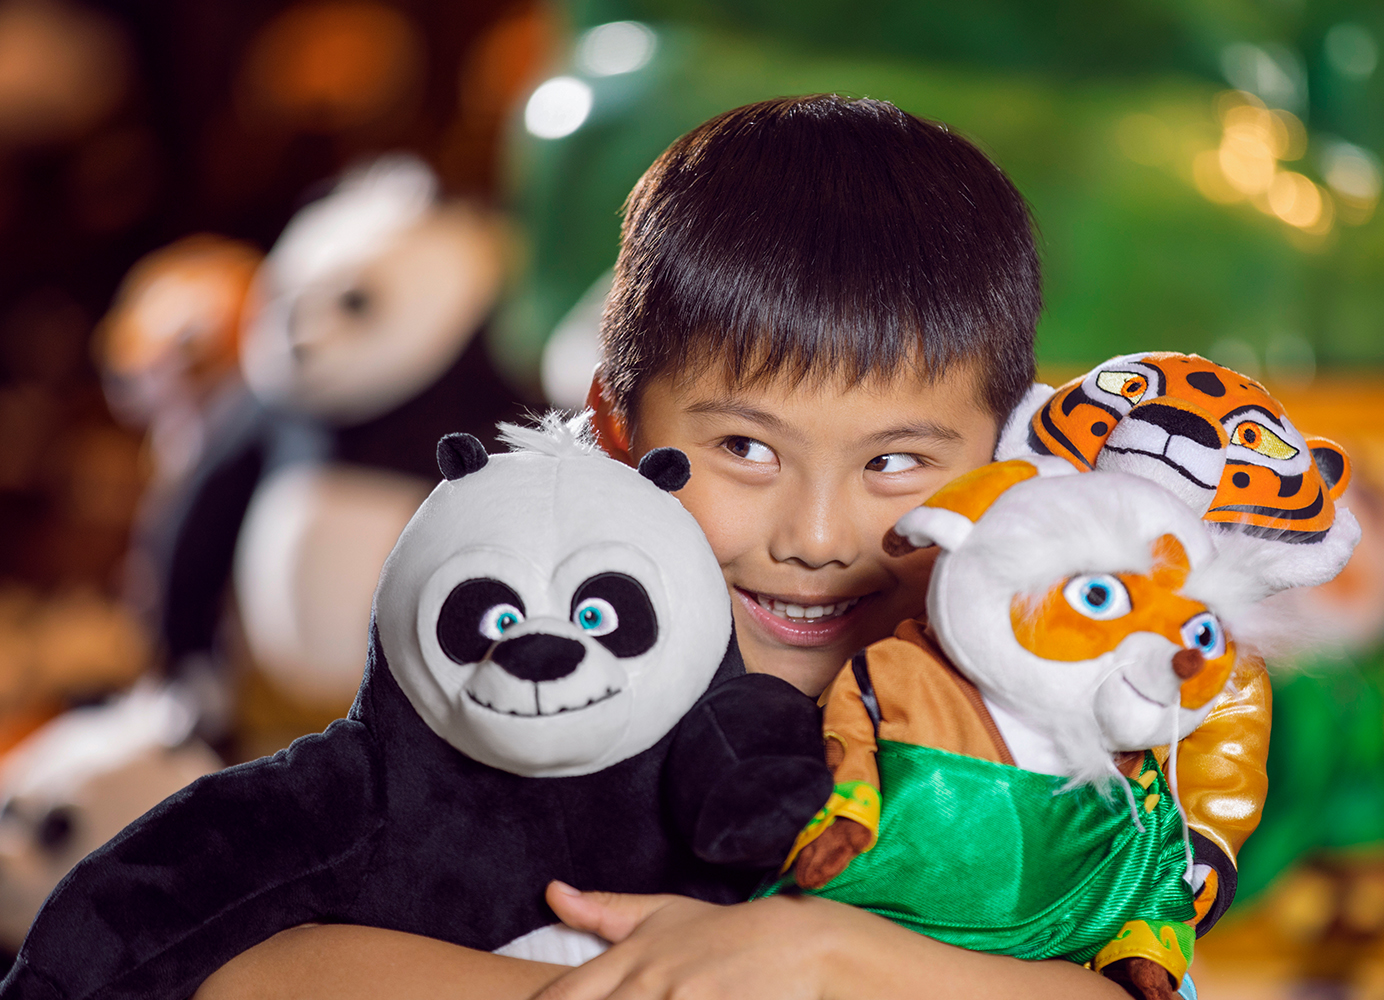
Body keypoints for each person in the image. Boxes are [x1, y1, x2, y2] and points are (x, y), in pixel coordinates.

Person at [199, 95, 1256, 1000]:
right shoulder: (535, 661)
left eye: (896, 462)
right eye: (747, 447)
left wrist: (823, 955)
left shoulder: (1049, 696)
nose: (816, 538)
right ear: (619, 430)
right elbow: (244, 963)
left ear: (1008, 458)